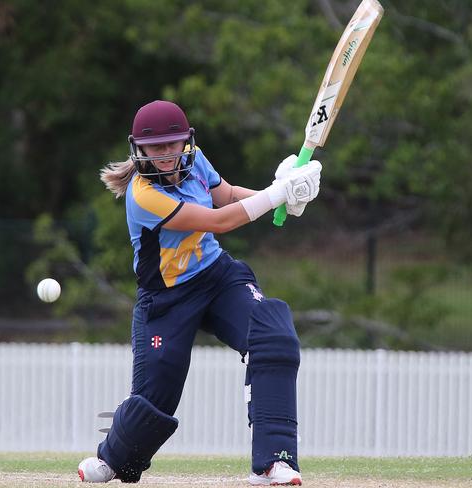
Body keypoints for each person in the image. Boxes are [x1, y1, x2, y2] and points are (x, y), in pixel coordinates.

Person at [77, 100, 321, 485]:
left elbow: (224, 196)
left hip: (217, 277)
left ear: (186, 141)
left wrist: (283, 193)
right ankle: (113, 459)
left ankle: (274, 462)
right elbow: (218, 221)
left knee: (274, 337)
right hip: (166, 300)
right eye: (156, 148)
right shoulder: (142, 196)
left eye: (174, 144)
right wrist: (276, 194)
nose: (167, 154)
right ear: (138, 149)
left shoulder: (196, 160)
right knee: (154, 402)